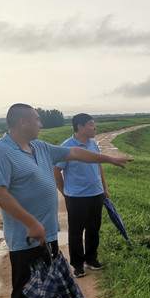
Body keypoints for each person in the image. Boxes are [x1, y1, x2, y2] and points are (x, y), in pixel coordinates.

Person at [0, 104, 133, 298]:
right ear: (22, 122)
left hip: (48, 230)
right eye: (37, 120)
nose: (41, 124)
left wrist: (109, 159)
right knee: (24, 288)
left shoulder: (40, 148)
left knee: (46, 282)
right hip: (26, 234)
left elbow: (75, 152)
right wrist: (30, 222)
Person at [53, 114, 107, 278]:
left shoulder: (93, 144)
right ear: (80, 127)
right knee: (76, 231)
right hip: (76, 197)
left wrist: (104, 188)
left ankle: (91, 259)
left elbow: (99, 167)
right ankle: (77, 264)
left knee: (93, 229)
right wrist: (64, 191)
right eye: (91, 124)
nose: (94, 127)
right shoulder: (66, 148)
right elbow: (56, 170)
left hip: (96, 194)